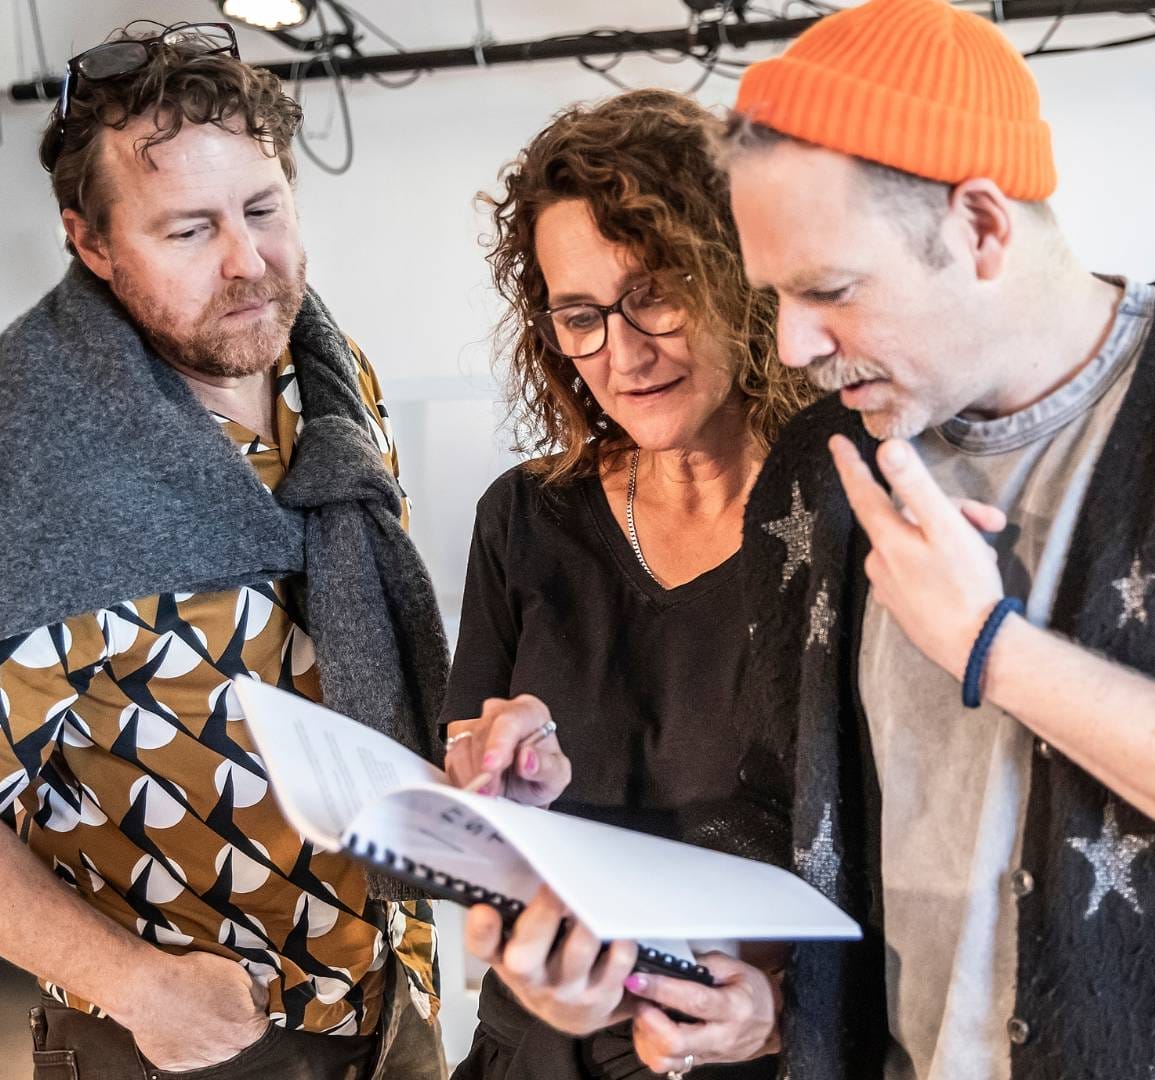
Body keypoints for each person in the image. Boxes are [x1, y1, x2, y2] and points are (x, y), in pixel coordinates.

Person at [606, 1, 1155, 1077]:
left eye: (829, 290)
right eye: (776, 295)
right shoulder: (821, 468)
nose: (792, 345)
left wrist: (992, 646)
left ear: (980, 226)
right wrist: (738, 987)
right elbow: (793, 818)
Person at [0, 22, 450, 1079]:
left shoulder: (329, 376)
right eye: (188, 231)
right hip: (188, 1039)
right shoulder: (39, 465)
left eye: (264, 211)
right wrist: (139, 988)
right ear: (93, 244)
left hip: (389, 998)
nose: (247, 263)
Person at [437, 88, 814, 1080]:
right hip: (536, 1056)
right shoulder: (525, 520)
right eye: (581, 317)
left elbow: (913, 855)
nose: (624, 352)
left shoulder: (854, 516)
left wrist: (778, 1011)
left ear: (741, 274)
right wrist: (491, 799)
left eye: (656, 291)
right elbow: (477, 806)